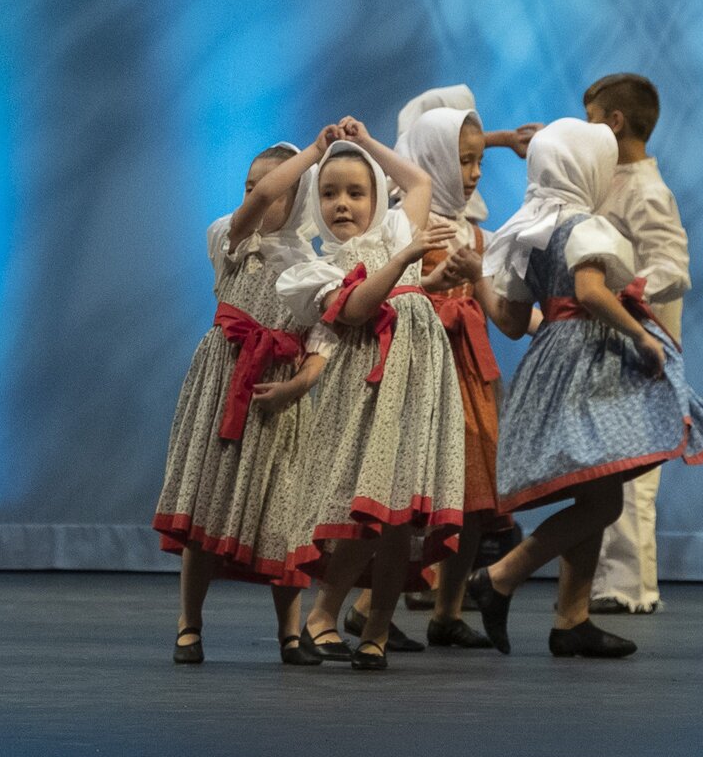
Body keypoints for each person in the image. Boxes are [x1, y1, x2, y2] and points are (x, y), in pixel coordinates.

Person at [471, 121, 703, 659]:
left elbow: (514, 321)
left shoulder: (527, 233)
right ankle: (499, 577)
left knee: (598, 489)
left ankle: (572, 618)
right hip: (589, 362)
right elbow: (590, 292)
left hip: (551, 363)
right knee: (603, 500)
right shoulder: (588, 226)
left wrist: (479, 275)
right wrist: (639, 333)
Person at [282, 121, 468, 670]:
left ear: (375, 198)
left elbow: (418, 184)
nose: (342, 204)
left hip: (418, 382)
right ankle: (323, 615)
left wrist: (366, 144)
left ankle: (378, 630)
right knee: (369, 509)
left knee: (399, 519)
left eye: (356, 192)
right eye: (329, 193)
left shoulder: (392, 230)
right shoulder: (317, 267)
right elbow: (360, 308)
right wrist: (405, 256)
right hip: (366, 392)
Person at [154, 139, 336, 665]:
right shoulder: (231, 240)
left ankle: (289, 632)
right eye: (248, 186)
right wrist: (314, 153)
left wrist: (299, 385)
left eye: (271, 187)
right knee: (205, 501)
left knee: (285, 512)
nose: (255, 195)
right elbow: (254, 210)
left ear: (297, 197)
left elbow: (324, 344)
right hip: (224, 382)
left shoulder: (313, 269)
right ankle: (189, 624)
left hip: (276, 398)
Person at [574, 73, 695, 617]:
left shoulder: (646, 188)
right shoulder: (615, 180)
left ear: (613, 122)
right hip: (618, 338)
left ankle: (630, 585)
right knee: (613, 460)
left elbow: (673, 265)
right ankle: (614, 579)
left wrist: (626, 293)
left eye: (592, 117)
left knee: (634, 465)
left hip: (640, 341)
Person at [390, 104, 506, 649]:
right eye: (464, 161)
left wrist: (478, 281)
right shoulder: (406, 227)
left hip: (469, 371)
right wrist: (437, 283)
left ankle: (448, 610)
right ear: (434, 160)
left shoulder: (475, 234)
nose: (475, 172)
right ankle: (371, 604)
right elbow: (392, 301)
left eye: (479, 161)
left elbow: (496, 307)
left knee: (476, 500)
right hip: (423, 370)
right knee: (416, 495)